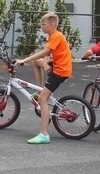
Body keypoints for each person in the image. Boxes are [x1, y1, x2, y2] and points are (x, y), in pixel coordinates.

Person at [14, 12, 73, 144]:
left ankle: (44, 134)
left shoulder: (56, 36)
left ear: (52, 24)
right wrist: (45, 62)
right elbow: (48, 53)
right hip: (57, 67)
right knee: (37, 62)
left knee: (42, 99)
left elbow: (45, 52)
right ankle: (40, 88)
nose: (41, 26)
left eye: (43, 24)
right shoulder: (53, 36)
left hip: (60, 71)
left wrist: (23, 60)